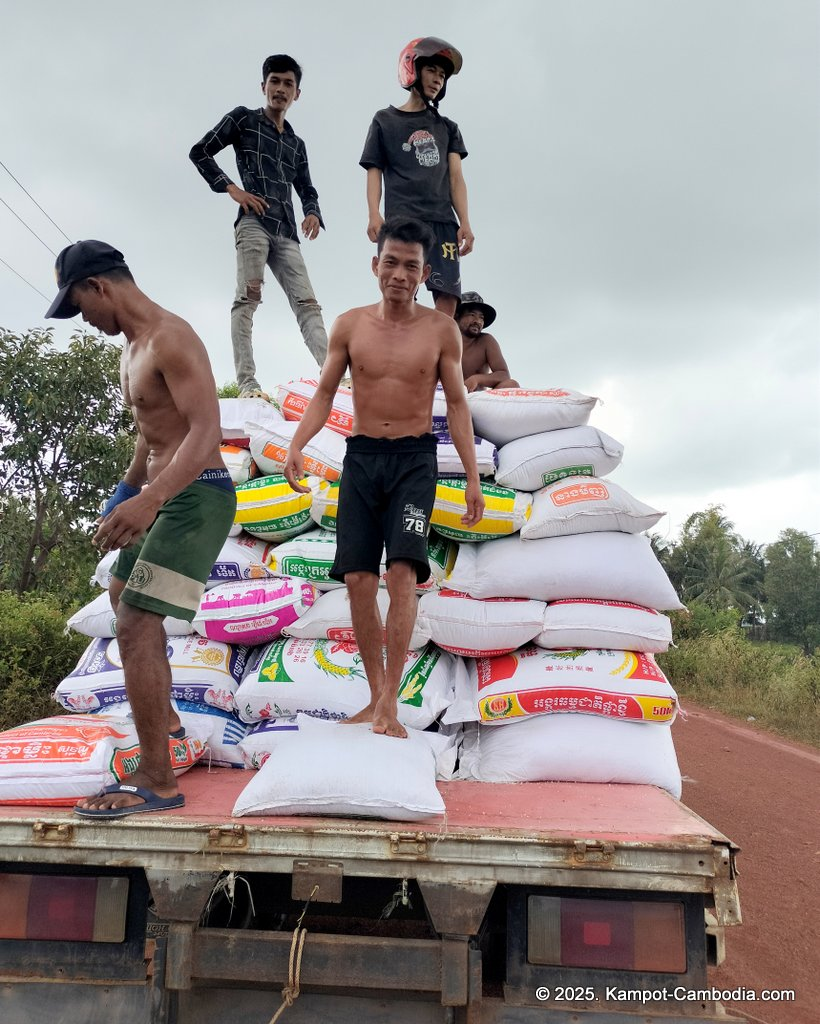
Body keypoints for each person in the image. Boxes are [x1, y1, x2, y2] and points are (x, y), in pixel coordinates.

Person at [45, 240, 236, 818]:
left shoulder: (171, 337)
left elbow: (206, 432)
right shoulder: (131, 351)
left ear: (99, 286)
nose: (85, 320)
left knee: (134, 621)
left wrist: (152, 500)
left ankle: (158, 780)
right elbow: (150, 435)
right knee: (122, 593)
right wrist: (125, 496)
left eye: (80, 306)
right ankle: (168, 729)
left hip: (197, 496)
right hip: (163, 495)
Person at [283, 218, 485, 738]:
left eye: (411, 266)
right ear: (376, 265)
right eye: (391, 262)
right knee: (356, 579)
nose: (399, 273)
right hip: (362, 459)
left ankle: (390, 702)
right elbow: (326, 393)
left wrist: (471, 477)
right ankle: (374, 698)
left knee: (401, 576)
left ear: (423, 274)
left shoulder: (441, 331)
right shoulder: (349, 326)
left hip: (415, 461)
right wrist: (297, 445)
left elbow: (458, 403)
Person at [190, 53, 328, 399]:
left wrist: (312, 211)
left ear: (297, 93)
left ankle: (331, 374)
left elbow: (307, 188)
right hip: (253, 224)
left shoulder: (297, 144)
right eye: (275, 82)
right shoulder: (244, 120)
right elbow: (200, 151)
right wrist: (232, 189)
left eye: (288, 84)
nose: (281, 89)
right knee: (247, 299)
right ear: (263, 86)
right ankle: (248, 385)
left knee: (308, 304)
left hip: (286, 231)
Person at [360, 37, 474, 317]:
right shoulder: (384, 120)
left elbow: (456, 178)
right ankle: (400, 356)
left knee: (447, 299)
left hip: (442, 221)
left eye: (442, 75)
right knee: (399, 291)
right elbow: (374, 170)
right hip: (402, 219)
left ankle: (440, 359)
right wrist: (374, 213)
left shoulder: (448, 127)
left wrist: (466, 222)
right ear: (413, 68)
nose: (437, 79)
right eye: (432, 70)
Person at [455, 291, 520, 391]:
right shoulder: (444, 339)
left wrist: (477, 379)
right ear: (457, 316)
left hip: (476, 399)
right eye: (472, 315)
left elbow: (504, 374)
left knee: (511, 384)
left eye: (481, 317)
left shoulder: (486, 341)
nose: (478, 321)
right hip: (446, 397)